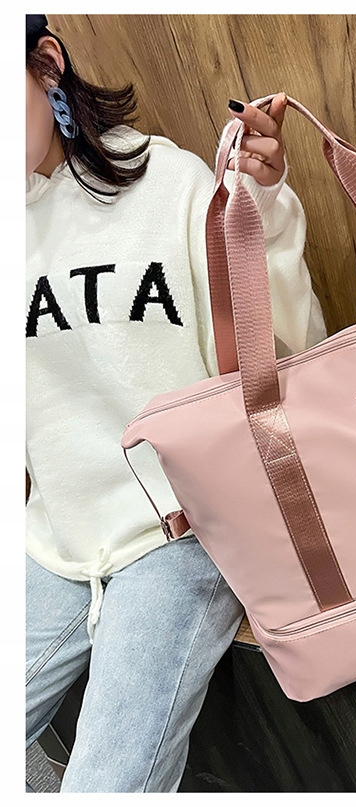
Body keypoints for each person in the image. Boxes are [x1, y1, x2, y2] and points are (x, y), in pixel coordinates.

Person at [25, 14, 327, 792]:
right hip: (53, 533)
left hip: (182, 530)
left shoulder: (172, 182)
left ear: (47, 64)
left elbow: (288, 351)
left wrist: (266, 207)